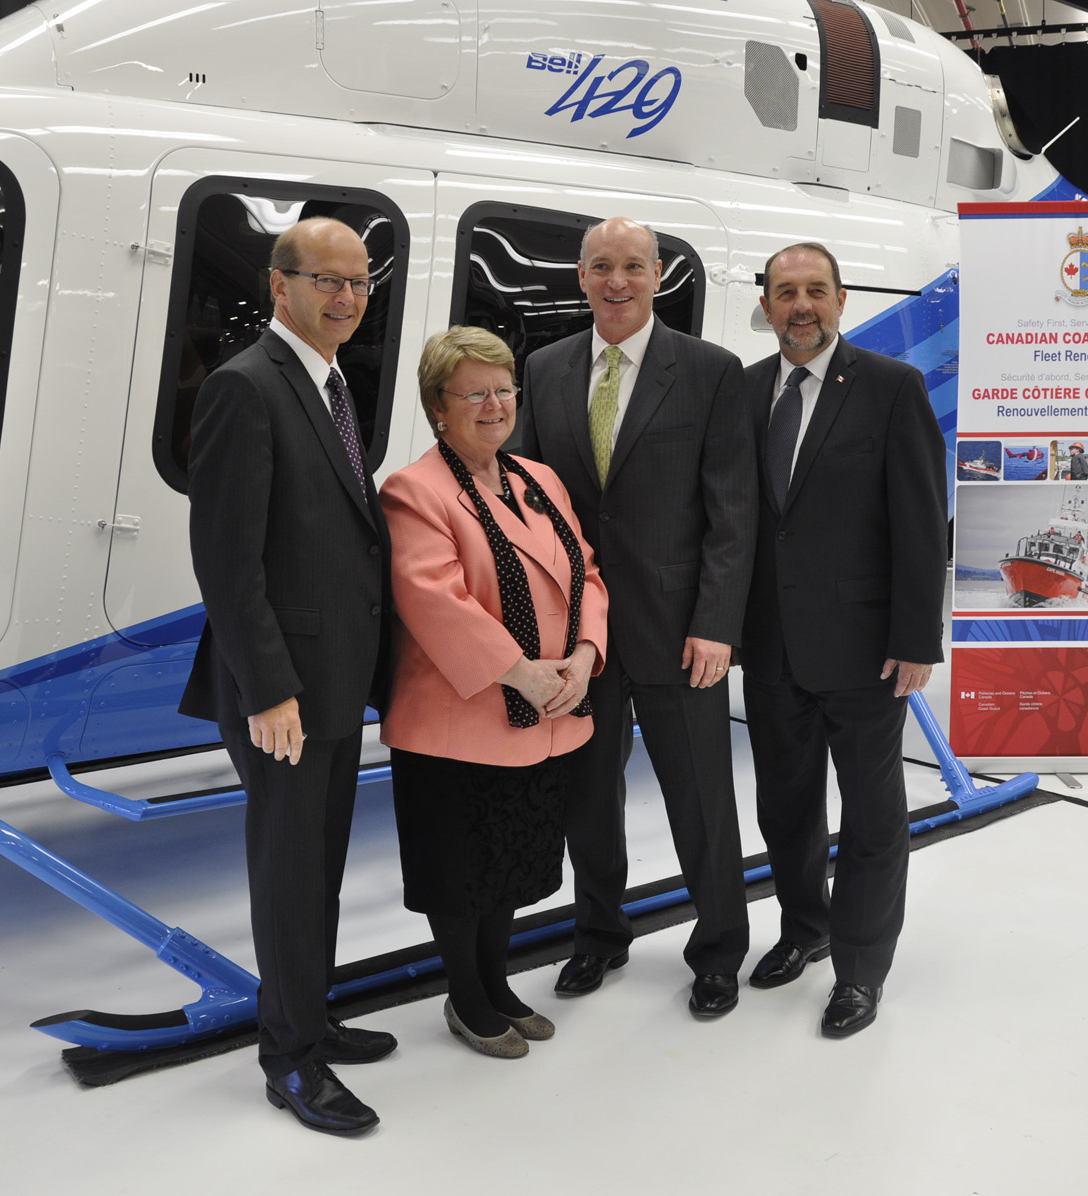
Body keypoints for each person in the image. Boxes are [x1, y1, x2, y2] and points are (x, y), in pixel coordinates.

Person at [178, 217, 395, 1134]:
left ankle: (310, 1011)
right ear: (280, 285)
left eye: (358, 283)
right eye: (326, 280)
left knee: (321, 868)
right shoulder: (245, 388)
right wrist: (268, 689)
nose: (345, 297)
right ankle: (293, 1062)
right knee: (289, 868)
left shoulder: (332, 382)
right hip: (286, 694)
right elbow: (226, 562)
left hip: (333, 681)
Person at [523, 216, 756, 1017]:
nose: (616, 282)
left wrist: (718, 623)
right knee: (585, 799)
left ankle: (720, 949)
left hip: (678, 629)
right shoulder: (544, 369)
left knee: (700, 799)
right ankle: (597, 935)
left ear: (659, 275)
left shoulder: (709, 371)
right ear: (580, 278)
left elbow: (733, 511)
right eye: (600, 268)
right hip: (578, 637)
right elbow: (525, 506)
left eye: (632, 266)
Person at [380, 326, 609, 1058]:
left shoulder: (540, 480)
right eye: (473, 392)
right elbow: (433, 599)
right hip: (461, 717)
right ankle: (467, 997)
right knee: (461, 870)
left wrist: (582, 656)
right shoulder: (415, 490)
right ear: (437, 407)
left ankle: (498, 982)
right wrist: (524, 673)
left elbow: (588, 578)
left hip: (544, 711)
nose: (493, 404)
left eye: (504, 390)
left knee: (511, 863)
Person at [739, 242, 947, 1037]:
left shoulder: (892, 388)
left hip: (866, 651)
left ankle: (860, 969)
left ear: (841, 299)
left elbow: (922, 523)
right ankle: (806, 929)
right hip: (771, 650)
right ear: (765, 303)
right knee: (785, 810)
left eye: (815, 291)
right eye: (785, 292)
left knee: (870, 817)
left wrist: (916, 636)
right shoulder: (748, 390)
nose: (801, 306)